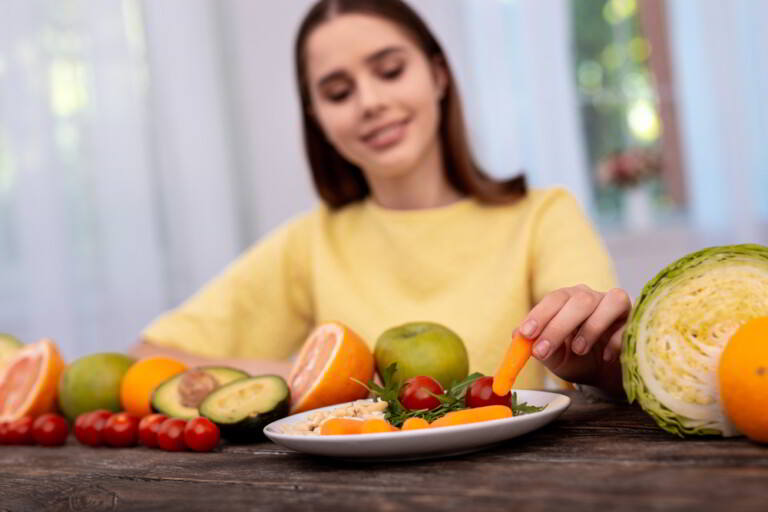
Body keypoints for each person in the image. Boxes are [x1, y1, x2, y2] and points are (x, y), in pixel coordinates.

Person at [135, 0, 631, 398]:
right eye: (337, 92)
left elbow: (606, 371)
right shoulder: (311, 241)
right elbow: (149, 358)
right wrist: (307, 376)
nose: (369, 102)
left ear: (438, 75)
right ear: (319, 121)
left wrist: (593, 358)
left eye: (390, 71)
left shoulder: (543, 216)